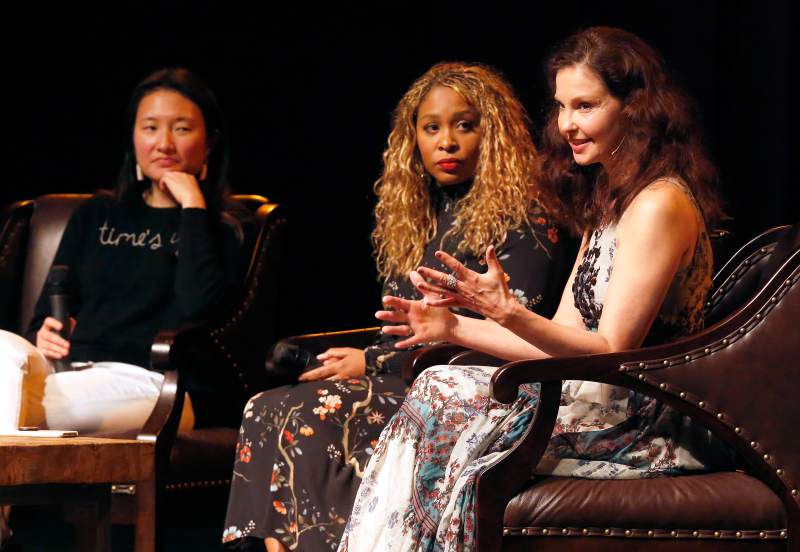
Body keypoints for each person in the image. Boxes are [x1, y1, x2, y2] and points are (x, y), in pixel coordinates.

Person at [339, 27, 733, 552]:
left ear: (634, 108)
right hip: (591, 396)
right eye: (561, 106)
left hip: (645, 419)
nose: (567, 124)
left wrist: (504, 312)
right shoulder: (612, 204)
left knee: (451, 415)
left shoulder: (659, 205)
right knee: (436, 385)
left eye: (586, 105)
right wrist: (454, 325)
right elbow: (561, 339)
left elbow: (614, 352)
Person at [222, 62, 574, 551]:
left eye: (464, 125)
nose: (446, 142)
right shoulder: (419, 217)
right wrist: (361, 357)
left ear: (493, 133)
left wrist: (372, 361)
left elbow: (504, 329)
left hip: (476, 388)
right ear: (413, 139)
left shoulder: (528, 216)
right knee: (265, 406)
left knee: (313, 413)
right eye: (431, 128)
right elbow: (403, 326)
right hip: (406, 376)